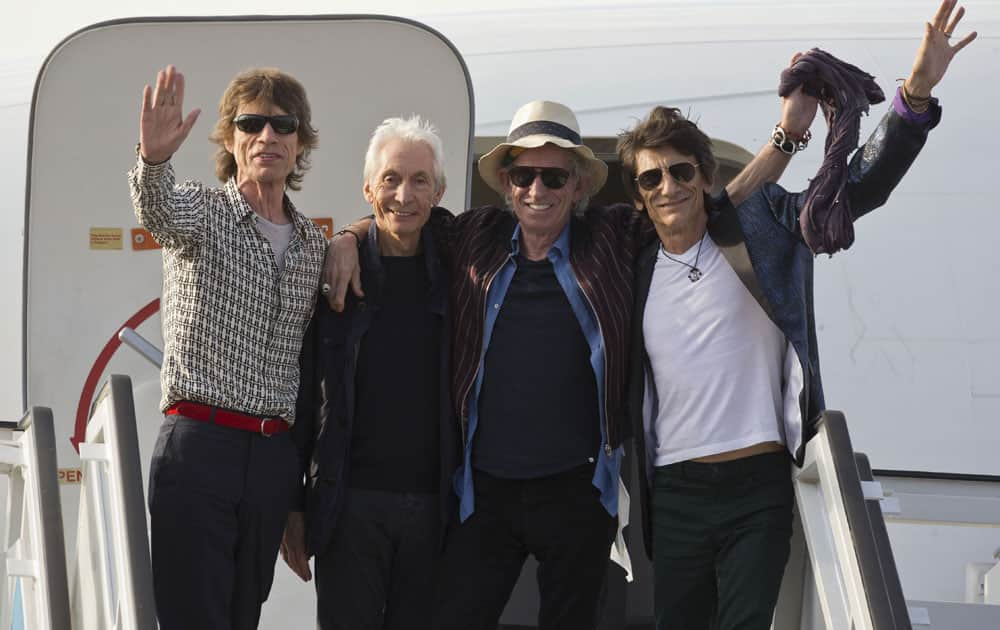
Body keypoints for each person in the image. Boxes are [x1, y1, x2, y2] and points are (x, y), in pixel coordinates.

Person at [322, 87, 817, 627]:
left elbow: (711, 206)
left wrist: (785, 139)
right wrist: (351, 233)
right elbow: (401, 218)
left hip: (577, 491)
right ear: (506, 186)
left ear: (578, 184)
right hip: (485, 493)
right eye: (523, 176)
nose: (537, 189)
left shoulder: (612, 235)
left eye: (554, 177)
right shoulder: (472, 237)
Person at [622, 2, 976, 628]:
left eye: (680, 172)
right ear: (639, 193)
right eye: (651, 179)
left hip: (755, 486)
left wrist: (914, 98)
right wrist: (781, 139)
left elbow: (857, 188)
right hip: (673, 492)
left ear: (705, 178)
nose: (666, 187)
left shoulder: (760, 232)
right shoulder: (632, 266)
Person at [128, 65, 326, 630]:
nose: (268, 136)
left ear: (299, 143)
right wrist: (154, 160)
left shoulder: (315, 243)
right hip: (199, 448)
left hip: (270, 460)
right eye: (252, 123)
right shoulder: (201, 211)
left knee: (242, 618)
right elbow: (157, 208)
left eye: (282, 124)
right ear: (232, 139)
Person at [281, 115, 458, 630]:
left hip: (434, 508)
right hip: (348, 507)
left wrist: (349, 233)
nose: (404, 195)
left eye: (420, 181)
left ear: (439, 191)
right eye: (390, 179)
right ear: (368, 189)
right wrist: (294, 505)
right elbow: (301, 396)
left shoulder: (460, 269)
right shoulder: (332, 276)